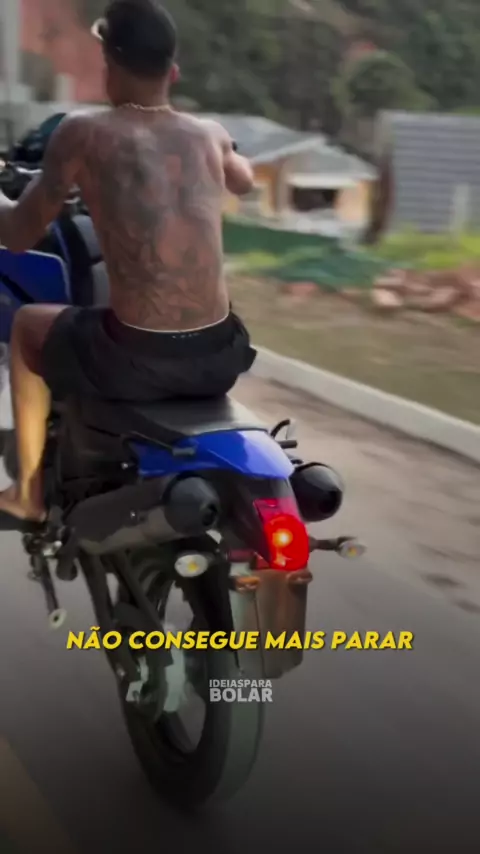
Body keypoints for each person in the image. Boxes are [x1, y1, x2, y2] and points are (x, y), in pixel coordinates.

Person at [0, 0, 256, 529]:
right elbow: (245, 180)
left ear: (108, 64)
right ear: (173, 71)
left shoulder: (83, 133)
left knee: (28, 326)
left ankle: (26, 494)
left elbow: (20, 235)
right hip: (222, 352)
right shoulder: (208, 133)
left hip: (136, 360)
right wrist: (227, 149)